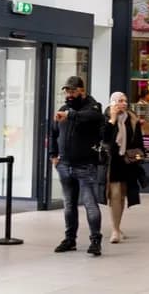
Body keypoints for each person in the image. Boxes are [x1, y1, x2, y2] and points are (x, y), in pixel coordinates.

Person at [49, 76, 106, 256]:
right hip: (65, 165)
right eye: (67, 91)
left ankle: (95, 240)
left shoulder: (93, 108)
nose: (69, 95)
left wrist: (69, 115)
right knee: (69, 204)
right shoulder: (63, 110)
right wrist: (53, 155)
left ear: (82, 91)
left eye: (73, 91)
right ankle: (69, 239)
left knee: (90, 203)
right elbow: (53, 133)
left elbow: (93, 116)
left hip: (86, 165)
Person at [103, 92, 146, 244]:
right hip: (112, 162)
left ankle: (117, 226)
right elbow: (104, 138)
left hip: (127, 161)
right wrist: (112, 120)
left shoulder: (132, 119)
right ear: (113, 102)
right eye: (120, 101)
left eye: (125, 101)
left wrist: (140, 157)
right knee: (114, 195)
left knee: (121, 195)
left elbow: (139, 141)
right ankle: (115, 230)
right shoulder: (106, 117)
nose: (124, 103)